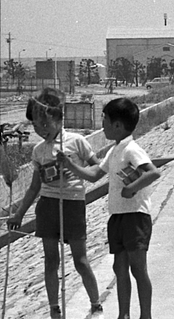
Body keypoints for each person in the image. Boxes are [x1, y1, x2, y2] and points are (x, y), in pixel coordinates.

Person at [59, 98, 161, 319]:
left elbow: (153, 172)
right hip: (117, 216)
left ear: (118, 125)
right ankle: (123, 314)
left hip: (135, 215)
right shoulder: (114, 151)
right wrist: (70, 165)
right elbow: (95, 174)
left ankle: (146, 315)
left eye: (104, 120)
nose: (102, 125)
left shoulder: (131, 149)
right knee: (120, 267)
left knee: (138, 268)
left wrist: (131, 189)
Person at [8, 88, 103, 319]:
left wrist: (71, 166)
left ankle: (96, 302)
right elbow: (34, 187)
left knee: (80, 260)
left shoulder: (76, 141)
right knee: (51, 260)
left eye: (45, 125)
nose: (41, 131)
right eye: (37, 127)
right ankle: (54, 309)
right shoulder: (39, 151)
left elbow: (97, 168)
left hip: (72, 205)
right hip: (48, 206)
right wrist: (19, 213)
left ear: (59, 119)